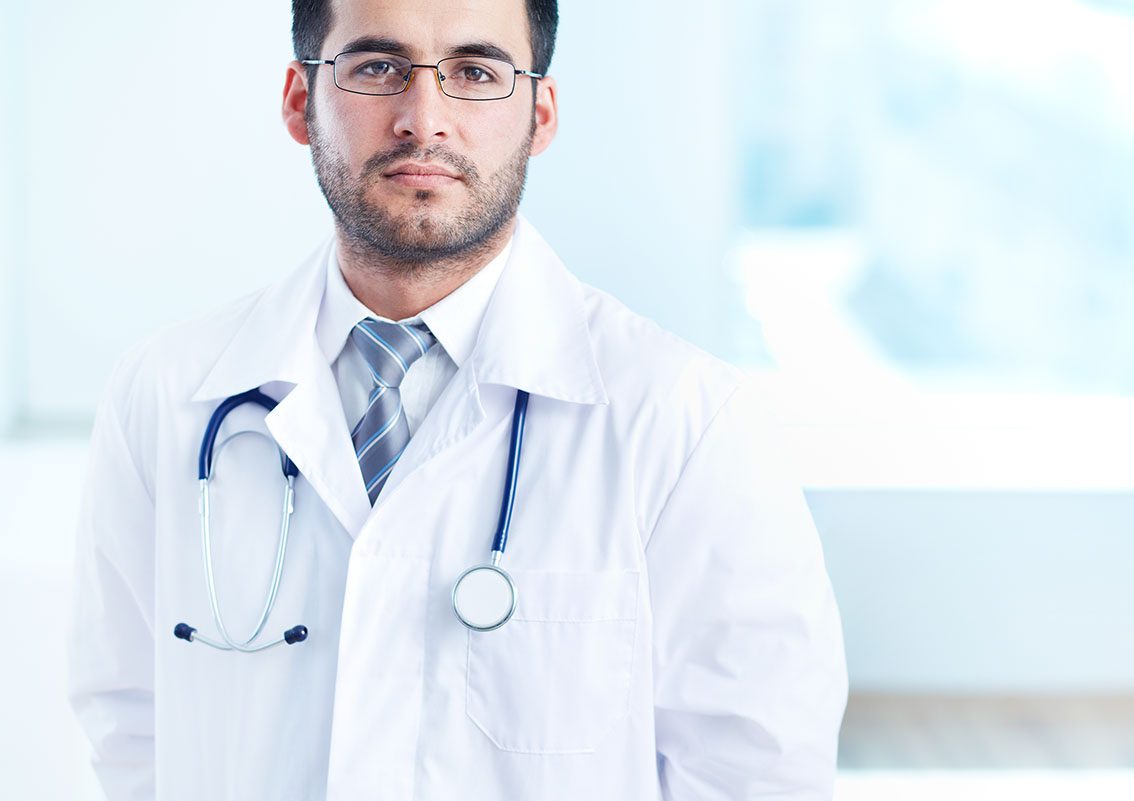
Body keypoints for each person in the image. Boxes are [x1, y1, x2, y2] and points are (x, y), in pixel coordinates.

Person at [67, 0, 848, 798]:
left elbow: (757, 769)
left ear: (539, 115)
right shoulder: (165, 395)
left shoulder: (685, 420)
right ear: (301, 102)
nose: (423, 118)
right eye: (377, 67)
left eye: (476, 72)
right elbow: (131, 722)